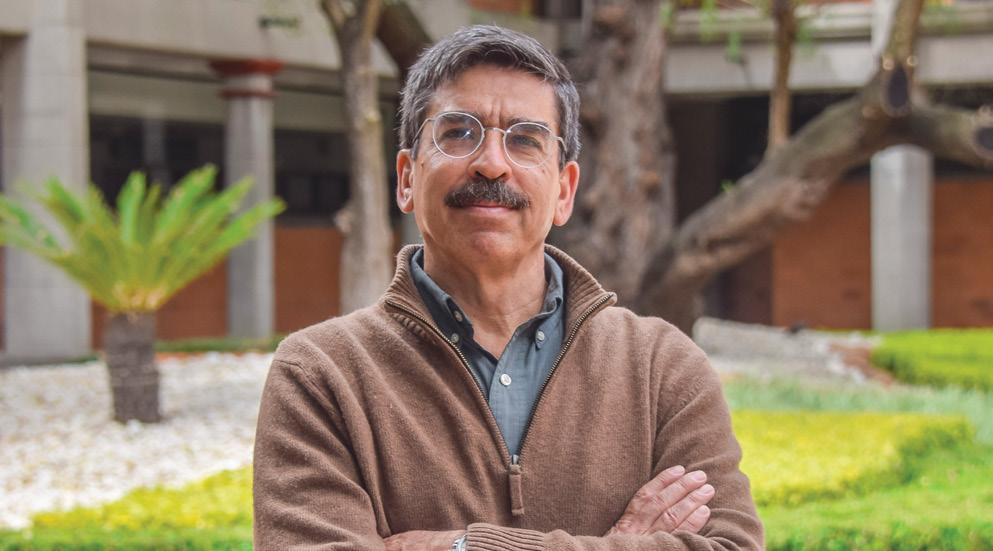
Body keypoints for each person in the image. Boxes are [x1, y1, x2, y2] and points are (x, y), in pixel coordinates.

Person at [253, 24, 763, 551]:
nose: (492, 164)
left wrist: (463, 547)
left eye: (524, 140)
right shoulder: (321, 374)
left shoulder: (661, 367)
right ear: (406, 178)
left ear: (564, 191)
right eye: (458, 133)